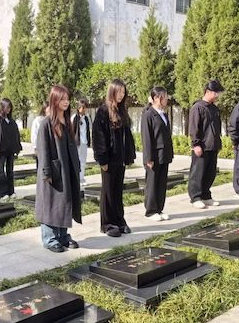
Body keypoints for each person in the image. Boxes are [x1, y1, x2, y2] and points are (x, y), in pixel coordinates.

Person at [35, 85, 81, 252]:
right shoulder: (46, 123)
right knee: (51, 204)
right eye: (62, 99)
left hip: (67, 170)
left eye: (67, 99)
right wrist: (47, 172)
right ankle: (50, 238)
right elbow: (43, 150)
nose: (66, 102)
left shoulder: (67, 123)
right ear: (54, 100)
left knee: (64, 202)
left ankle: (62, 235)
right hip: (53, 171)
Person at [92, 79, 136, 237]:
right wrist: (102, 159)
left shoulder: (122, 110)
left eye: (123, 92)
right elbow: (98, 137)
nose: (121, 95)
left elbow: (127, 137)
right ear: (112, 92)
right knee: (108, 191)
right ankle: (107, 224)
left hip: (120, 159)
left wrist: (128, 155)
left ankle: (119, 220)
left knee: (117, 191)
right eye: (119, 92)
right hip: (109, 160)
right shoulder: (103, 111)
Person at [188, 80, 224, 209]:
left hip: (212, 145)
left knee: (210, 173)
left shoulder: (214, 108)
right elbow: (194, 127)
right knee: (198, 173)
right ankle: (195, 197)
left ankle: (206, 195)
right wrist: (196, 144)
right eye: (216, 93)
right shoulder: (198, 107)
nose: (217, 96)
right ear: (208, 92)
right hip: (201, 146)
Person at [141, 87, 174, 221]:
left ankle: (159, 208)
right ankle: (151, 210)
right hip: (154, 155)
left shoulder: (163, 114)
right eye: (164, 96)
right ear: (156, 98)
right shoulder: (148, 114)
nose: (166, 99)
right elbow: (147, 137)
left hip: (164, 154)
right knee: (152, 183)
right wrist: (148, 157)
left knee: (161, 183)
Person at [0, 98, 22, 201]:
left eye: (10, 107)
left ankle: (11, 191)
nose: (8, 109)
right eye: (7, 107)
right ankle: (2, 193)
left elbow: (16, 135)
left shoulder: (11, 121)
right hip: (0, 151)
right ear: (2, 107)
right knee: (1, 171)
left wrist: (17, 147)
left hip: (10, 151)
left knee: (10, 171)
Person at [71, 98, 91, 186]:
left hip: (84, 142)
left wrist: (89, 141)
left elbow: (88, 130)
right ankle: (76, 179)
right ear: (78, 108)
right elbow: (71, 131)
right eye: (83, 108)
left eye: (85, 108)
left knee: (83, 161)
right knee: (77, 161)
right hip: (77, 143)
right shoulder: (74, 118)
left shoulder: (86, 118)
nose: (84, 110)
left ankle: (82, 178)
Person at [31, 101, 49, 168]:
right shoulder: (38, 120)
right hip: (41, 146)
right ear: (44, 109)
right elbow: (34, 135)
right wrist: (35, 147)